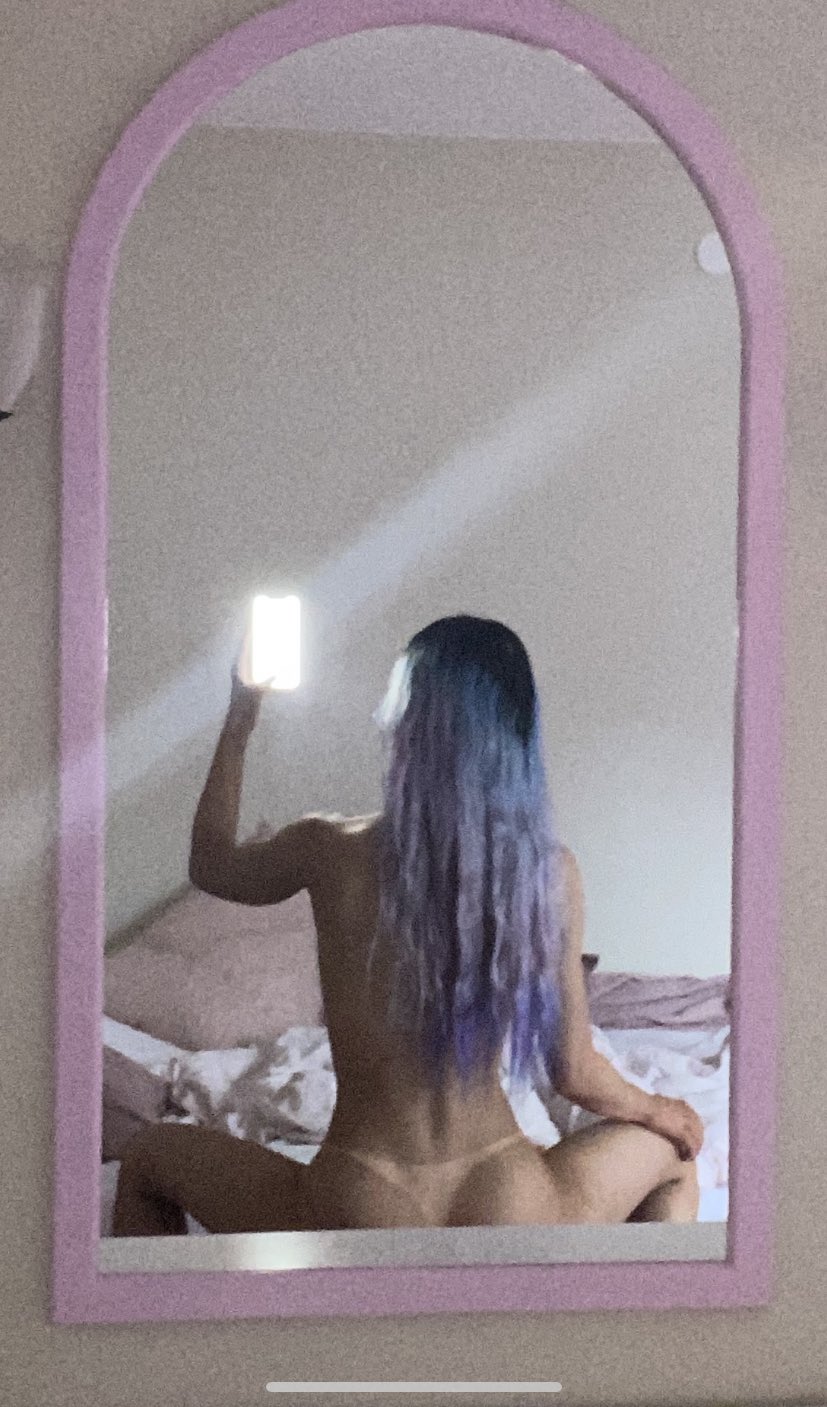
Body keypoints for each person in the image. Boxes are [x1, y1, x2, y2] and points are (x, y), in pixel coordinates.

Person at [113, 615, 703, 1236]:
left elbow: (210, 862)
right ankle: (608, 1304)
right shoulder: (548, 871)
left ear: (407, 718)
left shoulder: (329, 848)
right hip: (504, 1188)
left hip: (361, 1192)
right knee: (678, 1157)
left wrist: (241, 717)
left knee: (149, 1155)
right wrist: (657, 1110)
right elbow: (574, 1072)